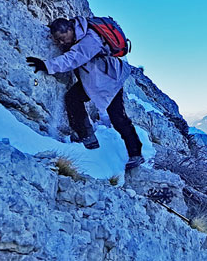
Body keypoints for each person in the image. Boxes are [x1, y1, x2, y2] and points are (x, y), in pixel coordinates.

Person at [26, 16, 144, 170]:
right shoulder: (77, 33)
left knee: (117, 117)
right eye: (58, 40)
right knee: (73, 98)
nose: (62, 43)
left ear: (70, 29)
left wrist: (46, 65)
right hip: (95, 79)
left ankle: (135, 153)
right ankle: (87, 137)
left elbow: (73, 58)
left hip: (110, 80)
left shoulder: (90, 38)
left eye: (62, 38)